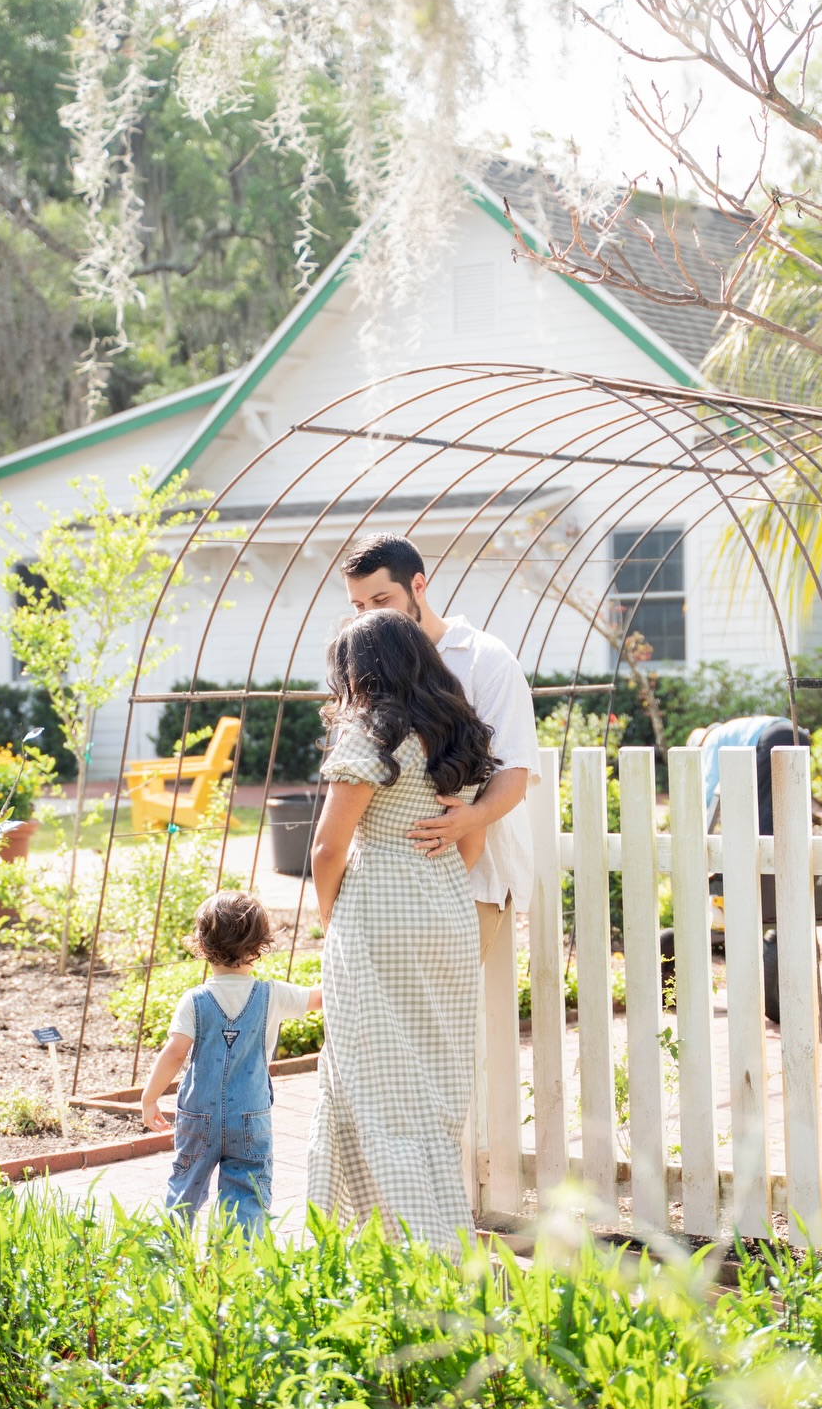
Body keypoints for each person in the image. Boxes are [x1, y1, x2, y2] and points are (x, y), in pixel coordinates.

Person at [307, 608, 497, 1247]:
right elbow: (467, 838)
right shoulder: (454, 731)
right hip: (445, 907)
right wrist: (433, 876)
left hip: (379, 907)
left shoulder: (369, 734)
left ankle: (407, 1242)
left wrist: (334, 922)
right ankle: (414, 1232)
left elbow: (329, 849)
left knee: (370, 1078)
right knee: (430, 1082)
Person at [341, 534, 539, 962]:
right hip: (387, 890)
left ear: (418, 586)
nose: (369, 617)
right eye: (359, 607)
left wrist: (473, 818)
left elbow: (516, 769)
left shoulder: (485, 659)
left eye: (381, 600)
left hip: (472, 881)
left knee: (446, 1020)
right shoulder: (368, 665)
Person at [140, 889, 323, 1234]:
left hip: (199, 1117)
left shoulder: (194, 1000)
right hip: (250, 1118)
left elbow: (175, 1052)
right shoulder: (274, 995)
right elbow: (319, 997)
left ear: (202, 946)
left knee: (185, 1188)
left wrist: (150, 1097)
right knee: (246, 1193)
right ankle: (235, 1264)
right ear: (259, 947)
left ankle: (166, 1257)